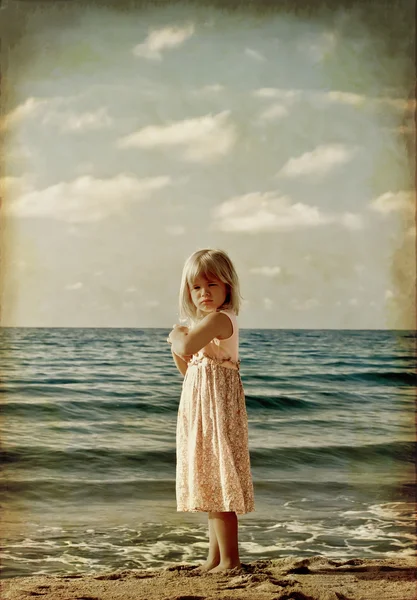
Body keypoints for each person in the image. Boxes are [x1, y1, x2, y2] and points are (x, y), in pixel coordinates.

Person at [167, 248, 255, 574]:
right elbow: (187, 367)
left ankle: (230, 561)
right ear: (188, 291)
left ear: (228, 287)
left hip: (217, 407)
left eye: (212, 285)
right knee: (209, 482)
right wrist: (179, 342)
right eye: (197, 287)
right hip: (202, 404)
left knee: (219, 483)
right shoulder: (204, 323)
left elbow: (185, 347)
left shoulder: (220, 319)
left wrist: (177, 335)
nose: (204, 293)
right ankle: (214, 558)